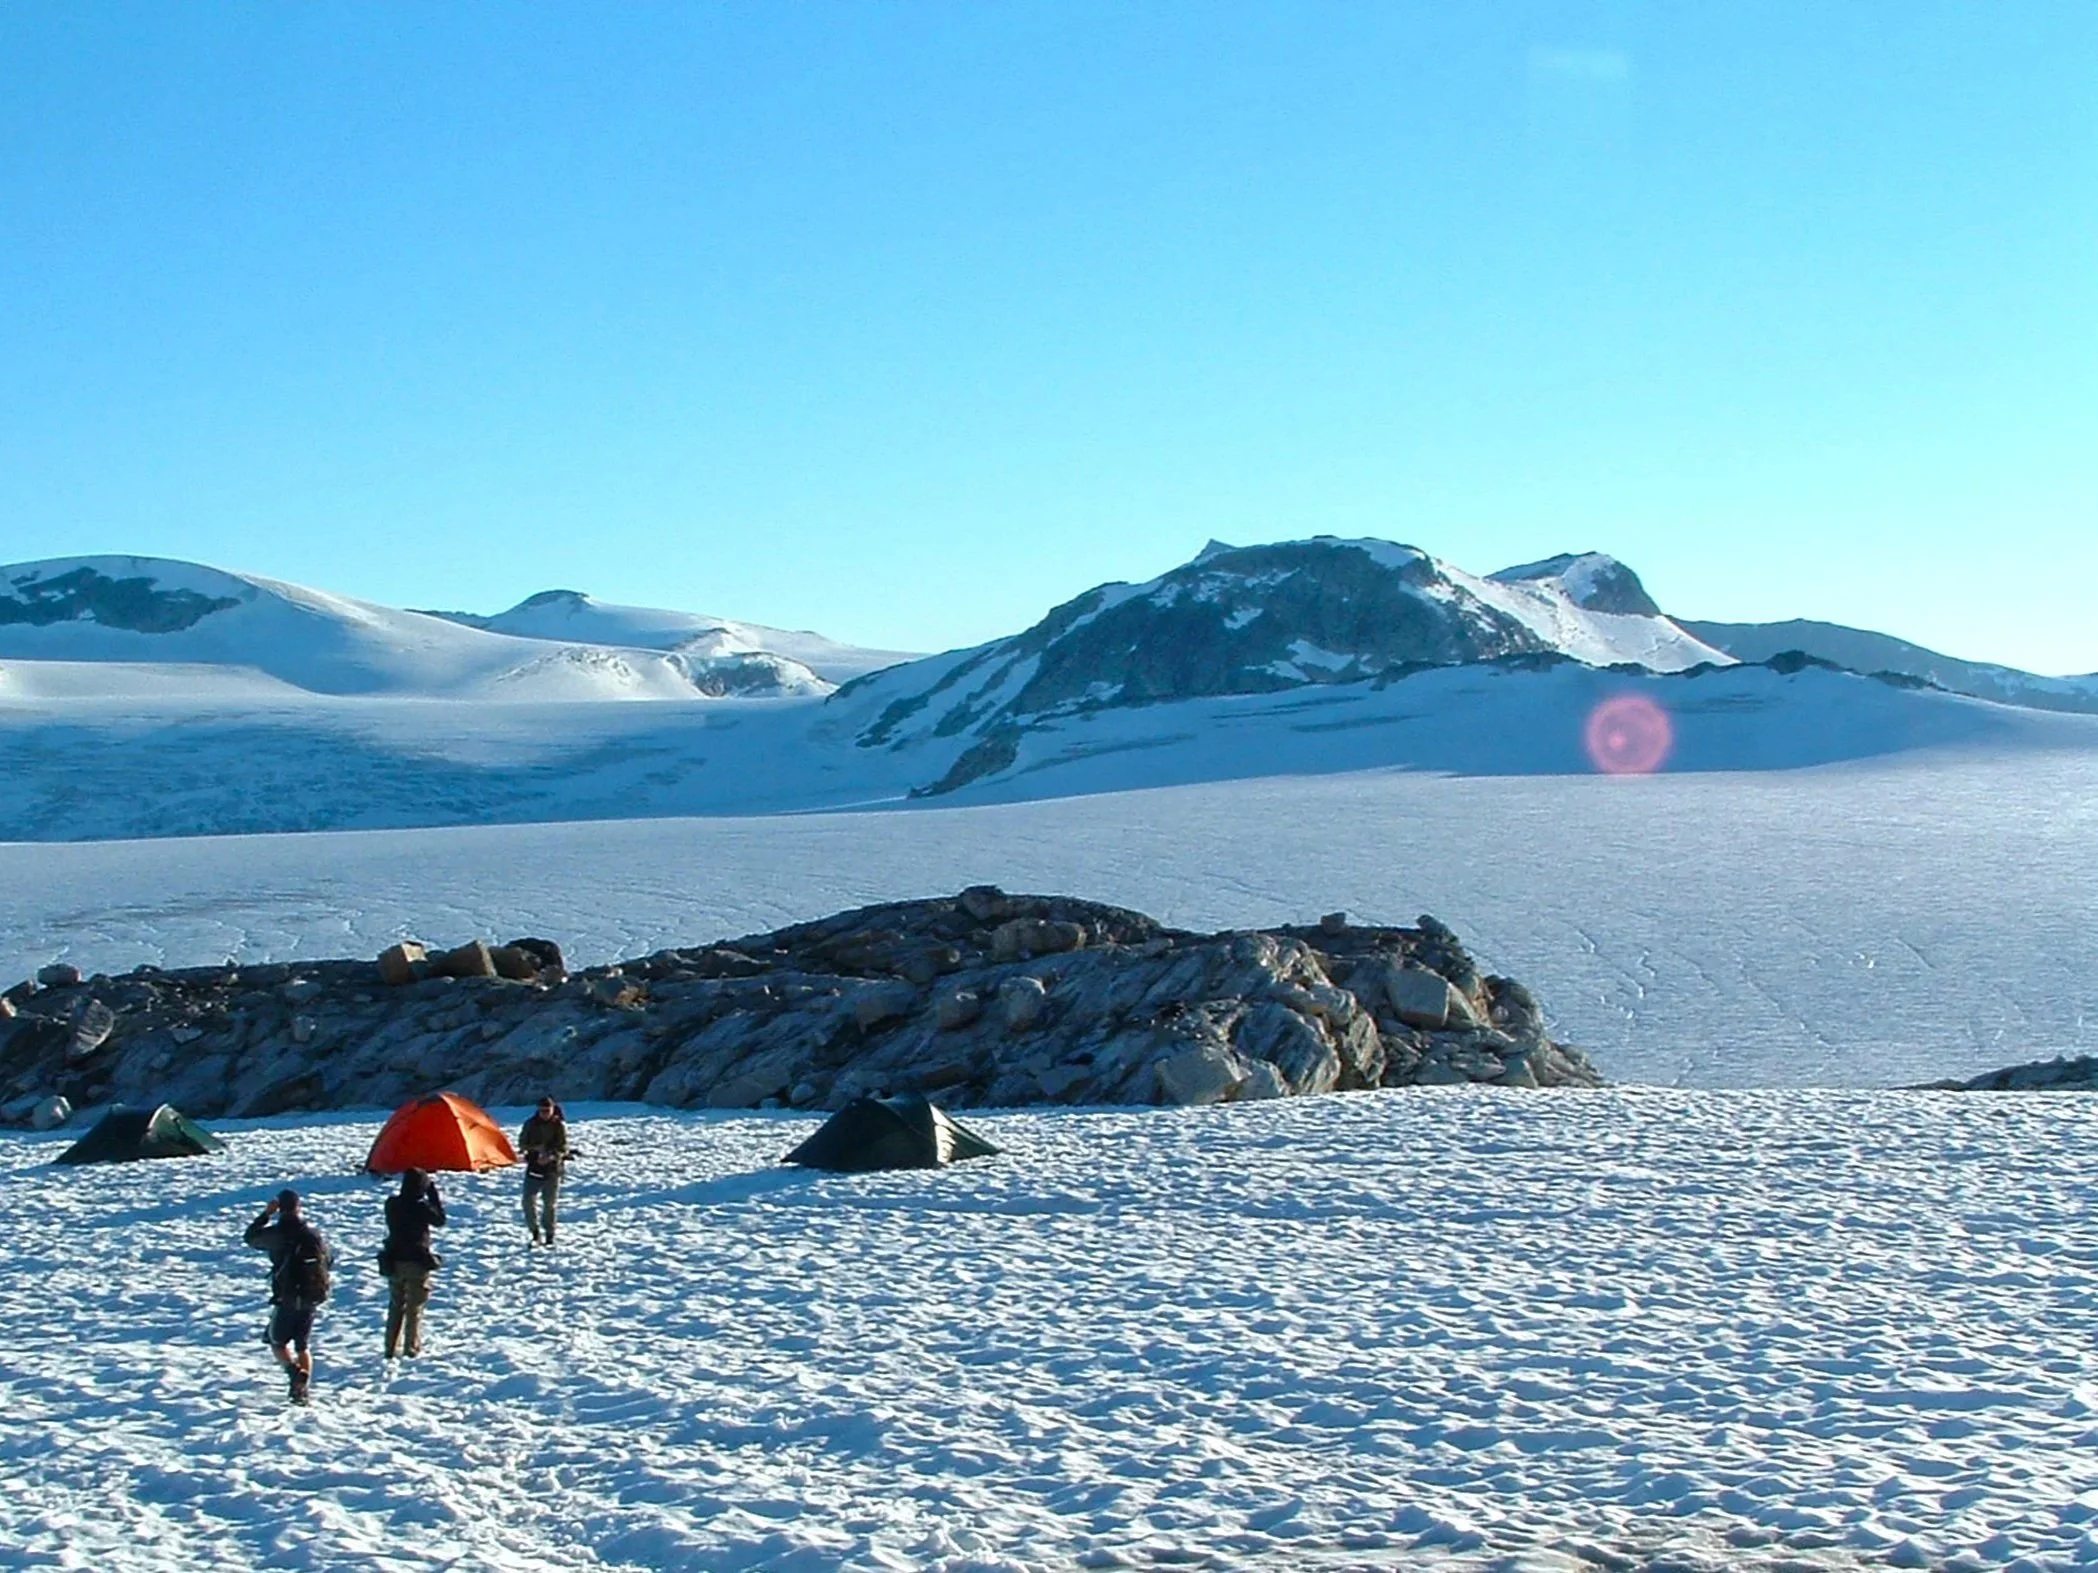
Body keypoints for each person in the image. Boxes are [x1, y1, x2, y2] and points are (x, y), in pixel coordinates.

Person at [243, 1189, 333, 1404]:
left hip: (288, 1296)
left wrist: (266, 1214)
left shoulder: (279, 1232)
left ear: (280, 1208)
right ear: (299, 1206)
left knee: (277, 1341)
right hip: (313, 1295)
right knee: (302, 1345)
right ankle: (302, 1392)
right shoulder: (313, 1233)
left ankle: (294, 1373)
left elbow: (251, 1238)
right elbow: (328, 1260)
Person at [379, 1167, 446, 1359]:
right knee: (414, 1307)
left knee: (396, 1305)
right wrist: (433, 1196)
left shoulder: (392, 1204)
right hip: (417, 1262)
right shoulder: (421, 1207)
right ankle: (411, 1348)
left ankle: (390, 1348)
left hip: (394, 1260)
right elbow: (440, 1220)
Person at [518, 1096, 569, 1245]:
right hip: (534, 1167)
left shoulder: (558, 1125)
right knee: (528, 1201)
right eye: (542, 1111)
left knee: (550, 1204)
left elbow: (564, 1148)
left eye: (547, 1110)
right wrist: (536, 1149)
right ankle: (534, 1231)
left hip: (553, 1169)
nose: (545, 1113)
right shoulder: (530, 1124)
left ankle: (550, 1234)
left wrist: (552, 1155)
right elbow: (522, 1143)